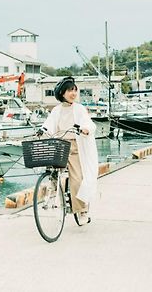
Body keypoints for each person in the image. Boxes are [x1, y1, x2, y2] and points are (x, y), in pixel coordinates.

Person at [40, 76, 98, 225]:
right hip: (59, 145)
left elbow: (89, 124)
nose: (73, 93)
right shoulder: (56, 110)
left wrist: (85, 130)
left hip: (74, 147)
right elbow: (49, 124)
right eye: (69, 90)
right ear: (62, 93)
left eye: (74, 90)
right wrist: (43, 130)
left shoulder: (78, 108)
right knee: (52, 172)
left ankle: (82, 210)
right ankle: (52, 194)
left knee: (77, 179)